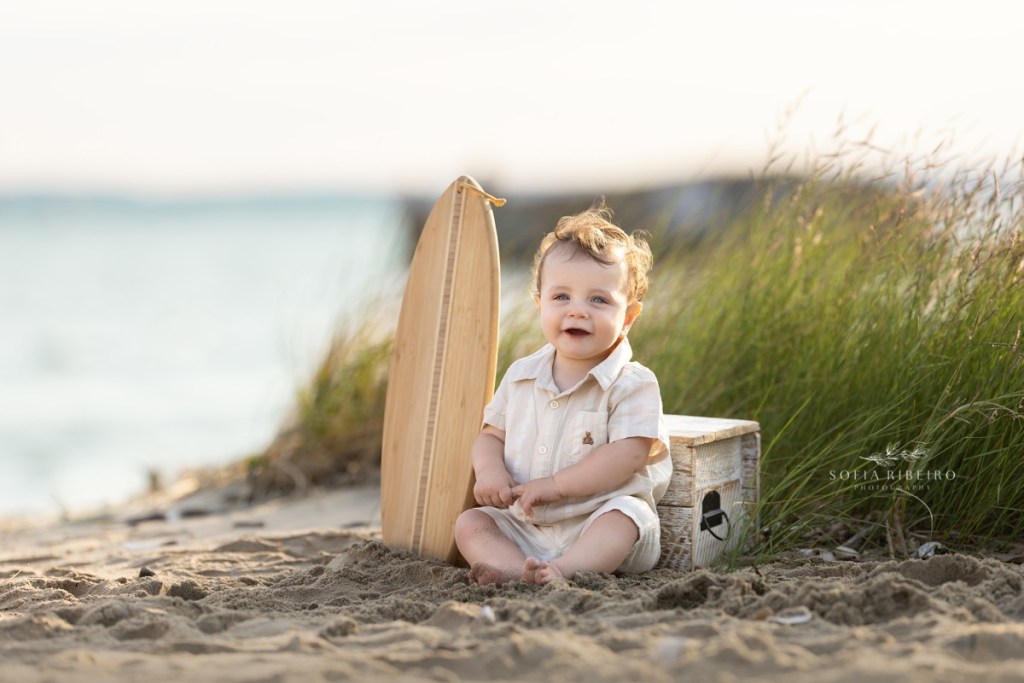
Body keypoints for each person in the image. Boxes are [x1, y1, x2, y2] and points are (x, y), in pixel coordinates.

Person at [455, 202, 672, 586]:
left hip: (595, 520)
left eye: (598, 300)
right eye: (561, 297)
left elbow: (629, 453)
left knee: (625, 517)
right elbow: (491, 435)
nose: (577, 311)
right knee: (471, 523)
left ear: (629, 316)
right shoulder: (521, 376)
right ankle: (514, 571)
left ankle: (563, 571)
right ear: (540, 304)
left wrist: (556, 486)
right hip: (526, 524)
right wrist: (490, 472)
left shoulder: (633, 383)